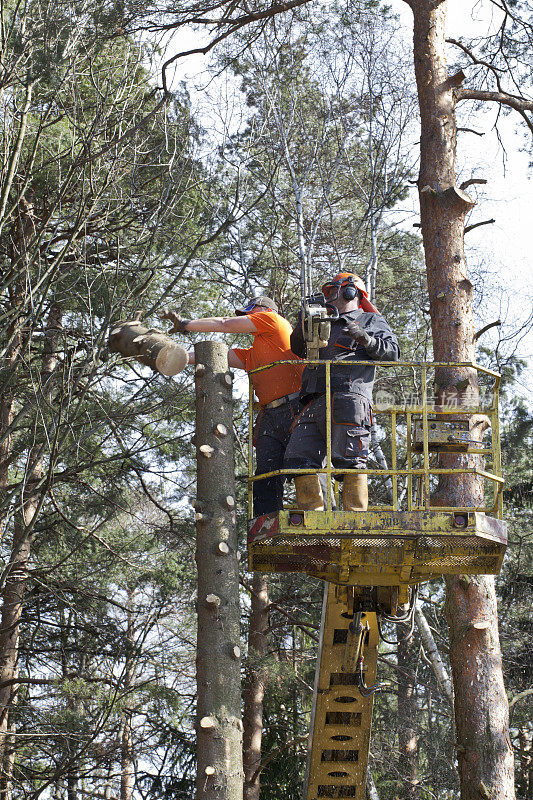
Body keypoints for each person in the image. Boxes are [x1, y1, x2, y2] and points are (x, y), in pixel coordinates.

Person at [161, 296, 303, 516]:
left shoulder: (273, 320)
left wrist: (186, 324)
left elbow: (224, 324)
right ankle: (266, 522)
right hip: (270, 415)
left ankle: (317, 514)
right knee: (266, 474)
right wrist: (175, 358)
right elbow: (213, 357)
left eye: (250, 314)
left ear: (263, 311)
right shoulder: (254, 354)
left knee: (305, 468)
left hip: (296, 409)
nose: (246, 318)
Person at [283, 272, 400, 512]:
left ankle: (354, 516)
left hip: (349, 397)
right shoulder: (322, 322)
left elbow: (392, 353)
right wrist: (302, 323)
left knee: (350, 457)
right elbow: (298, 348)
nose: (327, 298)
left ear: (350, 291)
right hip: (313, 399)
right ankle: (312, 515)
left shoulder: (370, 320)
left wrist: (366, 339)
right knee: (299, 457)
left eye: (331, 292)